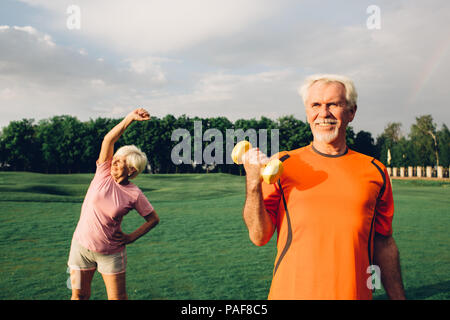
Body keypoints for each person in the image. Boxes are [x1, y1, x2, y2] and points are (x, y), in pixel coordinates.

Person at [242, 74, 405, 300]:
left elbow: (384, 242)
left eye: (333, 104)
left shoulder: (375, 170)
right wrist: (253, 184)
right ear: (308, 113)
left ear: (351, 112)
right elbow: (259, 236)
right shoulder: (281, 165)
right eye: (315, 105)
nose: (324, 113)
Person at [67, 108, 160, 300]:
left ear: (132, 170)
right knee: (78, 295)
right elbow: (108, 140)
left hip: (111, 254)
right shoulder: (103, 172)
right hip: (79, 249)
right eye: (114, 159)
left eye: (119, 162)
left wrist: (131, 237)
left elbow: (153, 219)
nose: (113, 163)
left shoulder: (134, 194)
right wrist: (130, 119)